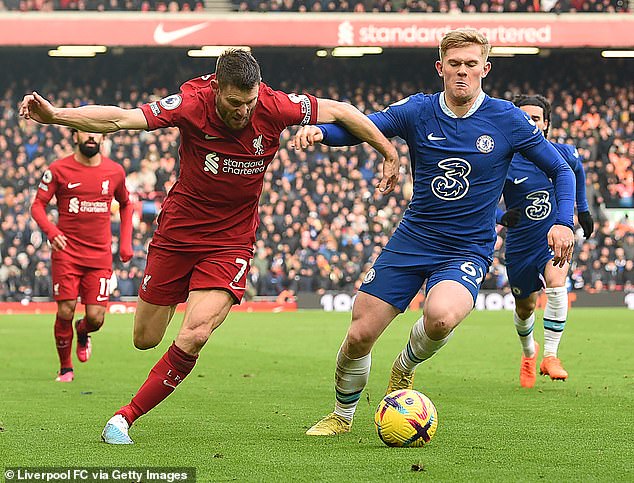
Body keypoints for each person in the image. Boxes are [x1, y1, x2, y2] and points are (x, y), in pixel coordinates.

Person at [20, 49, 398, 444]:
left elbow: (340, 110)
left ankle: (124, 417)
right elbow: (121, 118)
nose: (243, 112)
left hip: (230, 242)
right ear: (217, 88)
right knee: (145, 339)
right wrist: (56, 115)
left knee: (195, 333)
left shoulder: (275, 105)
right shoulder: (191, 103)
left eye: (249, 102)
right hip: (177, 237)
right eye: (235, 103)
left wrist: (387, 151)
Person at [292, 29, 577, 436]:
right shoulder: (418, 111)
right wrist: (324, 133)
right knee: (359, 334)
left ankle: (404, 367)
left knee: (440, 318)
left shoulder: (507, 119)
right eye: (455, 64)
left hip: (467, 246)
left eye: (471, 65)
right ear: (440, 68)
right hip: (414, 238)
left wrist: (564, 222)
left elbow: (561, 169)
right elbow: (365, 127)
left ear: (485, 69)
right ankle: (341, 415)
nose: (463, 72)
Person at [496, 94, 594, 388]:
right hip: (519, 246)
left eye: (536, 118)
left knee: (556, 283)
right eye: (524, 117)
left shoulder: (563, 154)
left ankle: (550, 355)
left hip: (552, 240)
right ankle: (530, 353)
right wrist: (501, 217)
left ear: (546, 124)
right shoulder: (503, 162)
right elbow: (481, 200)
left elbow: (577, 170)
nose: (530, 122)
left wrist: (584, 209)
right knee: (525, 307)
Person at [30, 129, 133, 382]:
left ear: (103, 138)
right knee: (66, 309)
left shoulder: (115, 171)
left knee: (96, 318)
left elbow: (127, 204)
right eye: (86, 131)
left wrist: (125, 243)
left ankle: (82, 330)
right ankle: (66, 368)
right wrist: (52, 232)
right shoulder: (58, 169)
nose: (91, 137)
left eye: (96, 133)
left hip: (99, 255)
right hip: (67, 252)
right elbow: (37, 205)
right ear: (75, 136)